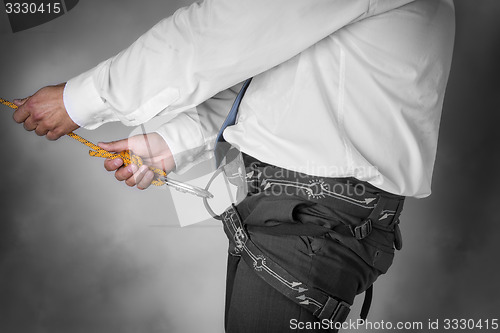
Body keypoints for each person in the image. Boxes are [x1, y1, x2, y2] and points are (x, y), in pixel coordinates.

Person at [12, 0, 456, 331]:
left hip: (310, 220)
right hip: (288, 211)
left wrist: (80, 100)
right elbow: (269, 69)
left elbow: (218, 33)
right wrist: (172, 141)